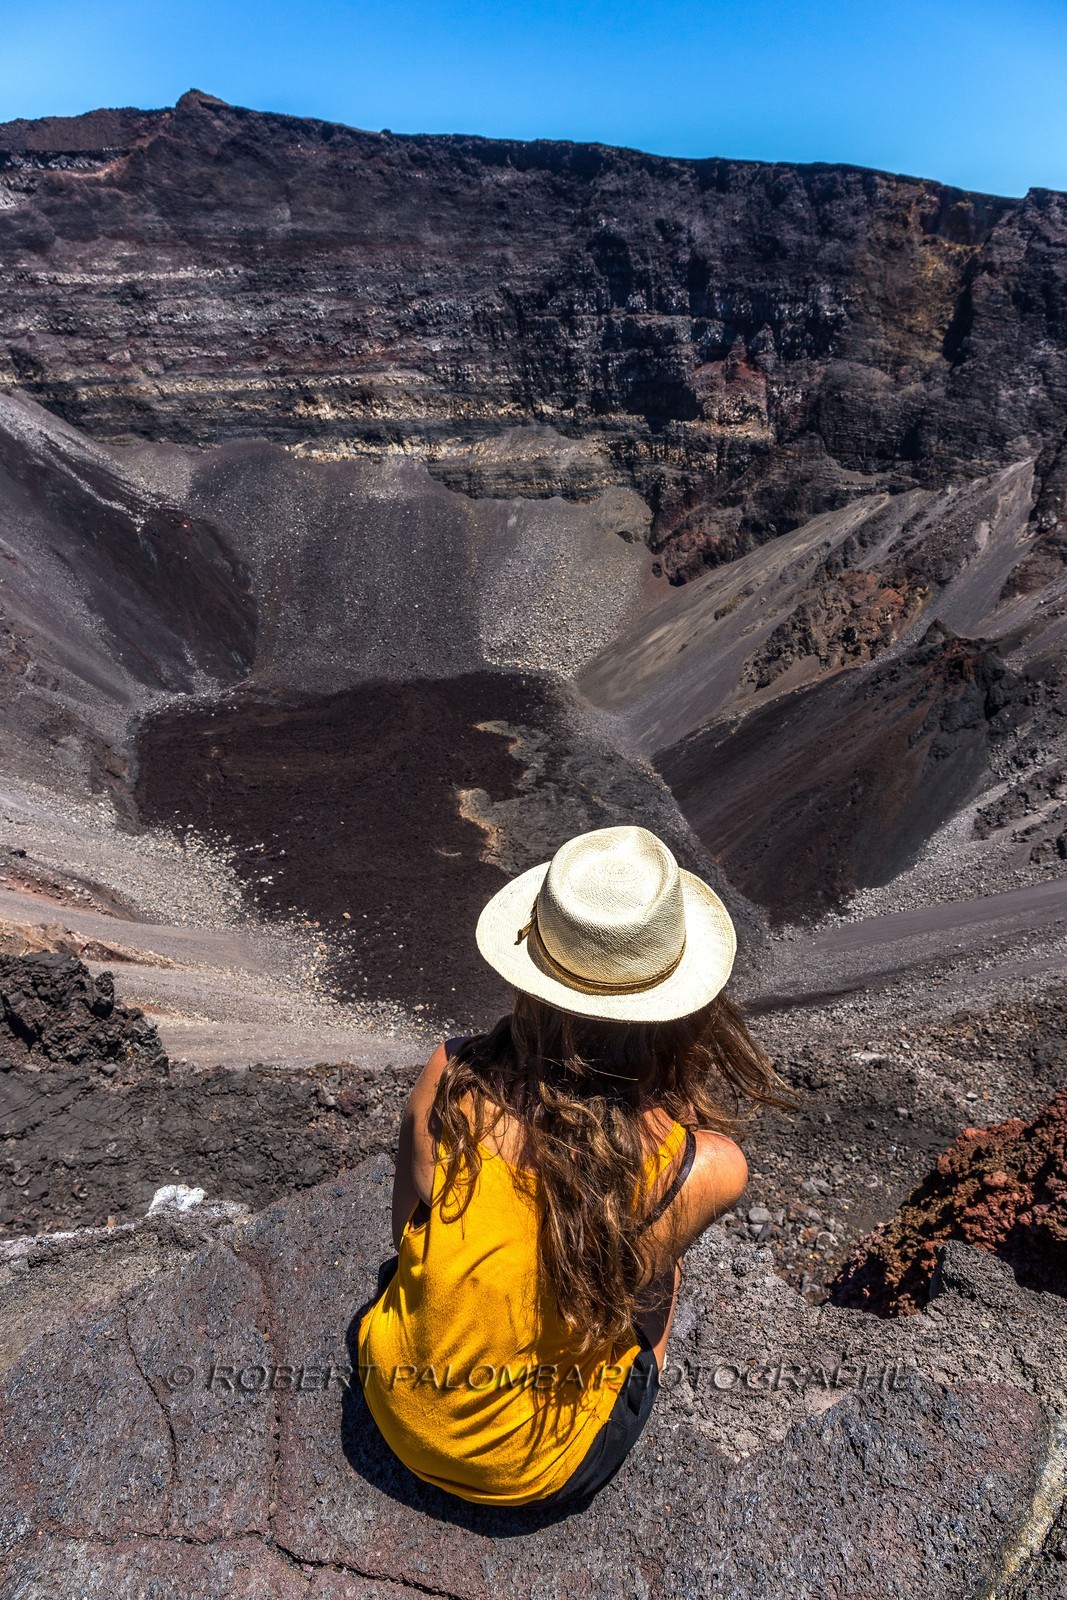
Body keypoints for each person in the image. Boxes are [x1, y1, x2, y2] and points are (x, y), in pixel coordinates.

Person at [358, 823, 790, 1508]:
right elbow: (642, 1301)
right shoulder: (704, 1166)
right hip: (530, 1475)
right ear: (679, 1004)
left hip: (393, 1409)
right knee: (653, 1278)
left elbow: (406, 1232)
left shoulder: (450, 1073)